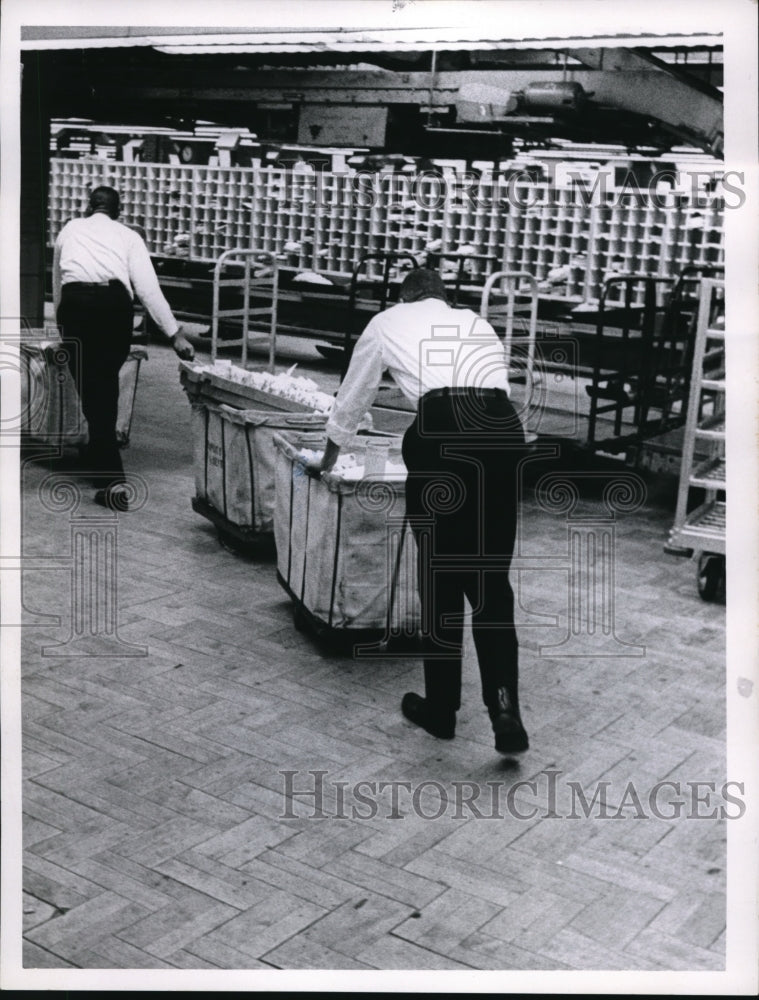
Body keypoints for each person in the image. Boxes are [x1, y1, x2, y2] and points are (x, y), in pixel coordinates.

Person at [311, 269, 528, 754]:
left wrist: (326, 459)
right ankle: (505, 707)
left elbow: (353, 397)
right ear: (444, 297)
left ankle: (442, 708)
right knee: (491, 581)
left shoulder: (388, 320)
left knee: (442, 576)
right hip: (500, 428)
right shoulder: (475, 321)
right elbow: (498, 388)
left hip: (444, 429)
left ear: (404, 296)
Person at [52, 185, 195, 511]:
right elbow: (148, 288)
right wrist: (175, 335)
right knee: (105, 385)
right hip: (114, 309)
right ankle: (104, 461)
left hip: (76, 307)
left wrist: (64, 328)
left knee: (92, 389)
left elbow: (58, 281)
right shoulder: (129, 236)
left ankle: (109, 475)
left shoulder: (69, 229)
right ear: (118, 211)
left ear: (89, 207)